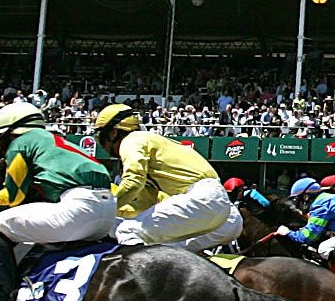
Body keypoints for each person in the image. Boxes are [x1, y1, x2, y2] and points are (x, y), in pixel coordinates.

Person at [0, 101, 118, 301]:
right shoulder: (54, 139)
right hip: (107, 212)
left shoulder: (20, 144)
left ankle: (0, 300)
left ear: (10, 133)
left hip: (78, 208)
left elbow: (12, 197)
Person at [92, 103, 241, 254]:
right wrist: (117, 214)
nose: (101, 145)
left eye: (101, 136)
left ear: (113, 133)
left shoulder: (132, 140)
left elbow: (133, 181)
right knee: (167, 247)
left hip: (203, 198)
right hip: (224, 216)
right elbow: (144, 204)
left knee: (127, 231)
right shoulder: (149, 147)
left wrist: (103, 210)